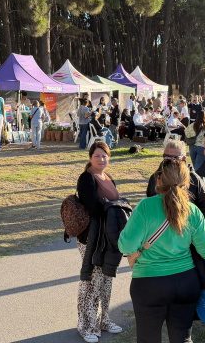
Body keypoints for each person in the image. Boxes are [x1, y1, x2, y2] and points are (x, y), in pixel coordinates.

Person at [119, 158, 205, 343]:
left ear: (158, 179)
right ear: (187, 182)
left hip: (149, 283)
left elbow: (126, 246)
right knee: (183, 338)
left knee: (148, 339)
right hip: (186, 282)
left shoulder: (145, 207)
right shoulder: (192, 211)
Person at [76, 142, 126, 343]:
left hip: (108, 237)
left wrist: (115, 206)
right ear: (90, 158)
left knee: (106, 280)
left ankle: (104, 320)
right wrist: (115, 206)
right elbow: (93, 207)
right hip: (91, 238)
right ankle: (86, 325)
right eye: (97, 156)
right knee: (91, 281)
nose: (101, 159)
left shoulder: (108, 177)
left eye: (104, 156)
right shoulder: (86, 178)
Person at [145, 140, 205, 219]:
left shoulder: (194, 179)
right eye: (166, 157)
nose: (170, 162)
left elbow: (204, 209)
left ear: (184, 158)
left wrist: (193, 224)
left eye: (175, 158)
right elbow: (150, 200)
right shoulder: (156, 177)